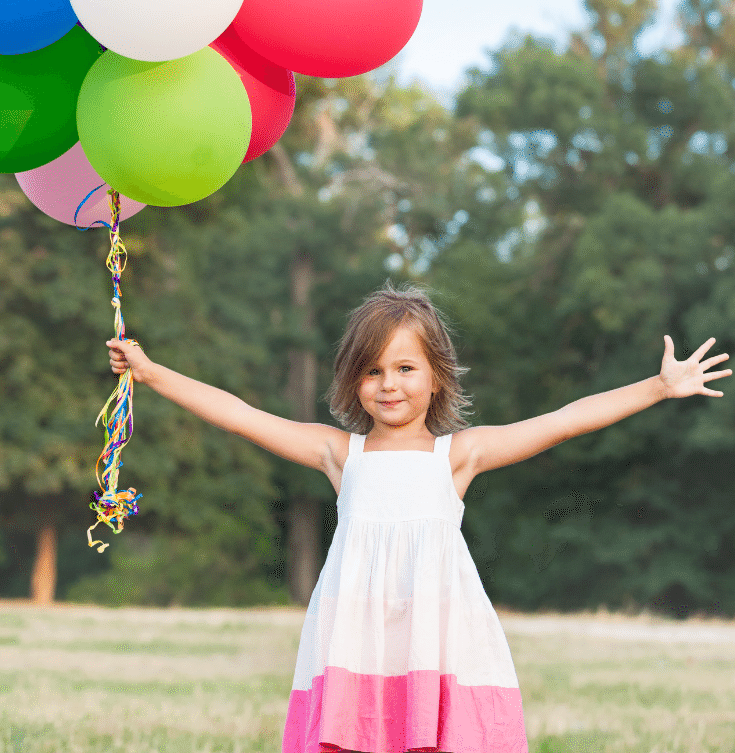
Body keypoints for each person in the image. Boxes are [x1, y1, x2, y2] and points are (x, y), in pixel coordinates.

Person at [107, 282, 730, 753]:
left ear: (437, 378)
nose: (388, 384)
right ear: (354, 383)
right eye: (372, 370)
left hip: (438, 638)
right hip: (355, 638)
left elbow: (563, 421)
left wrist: (655, 387)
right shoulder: (338, 452)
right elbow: (240, 414)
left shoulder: (457, 455)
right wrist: (152, 372)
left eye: (405, 368)